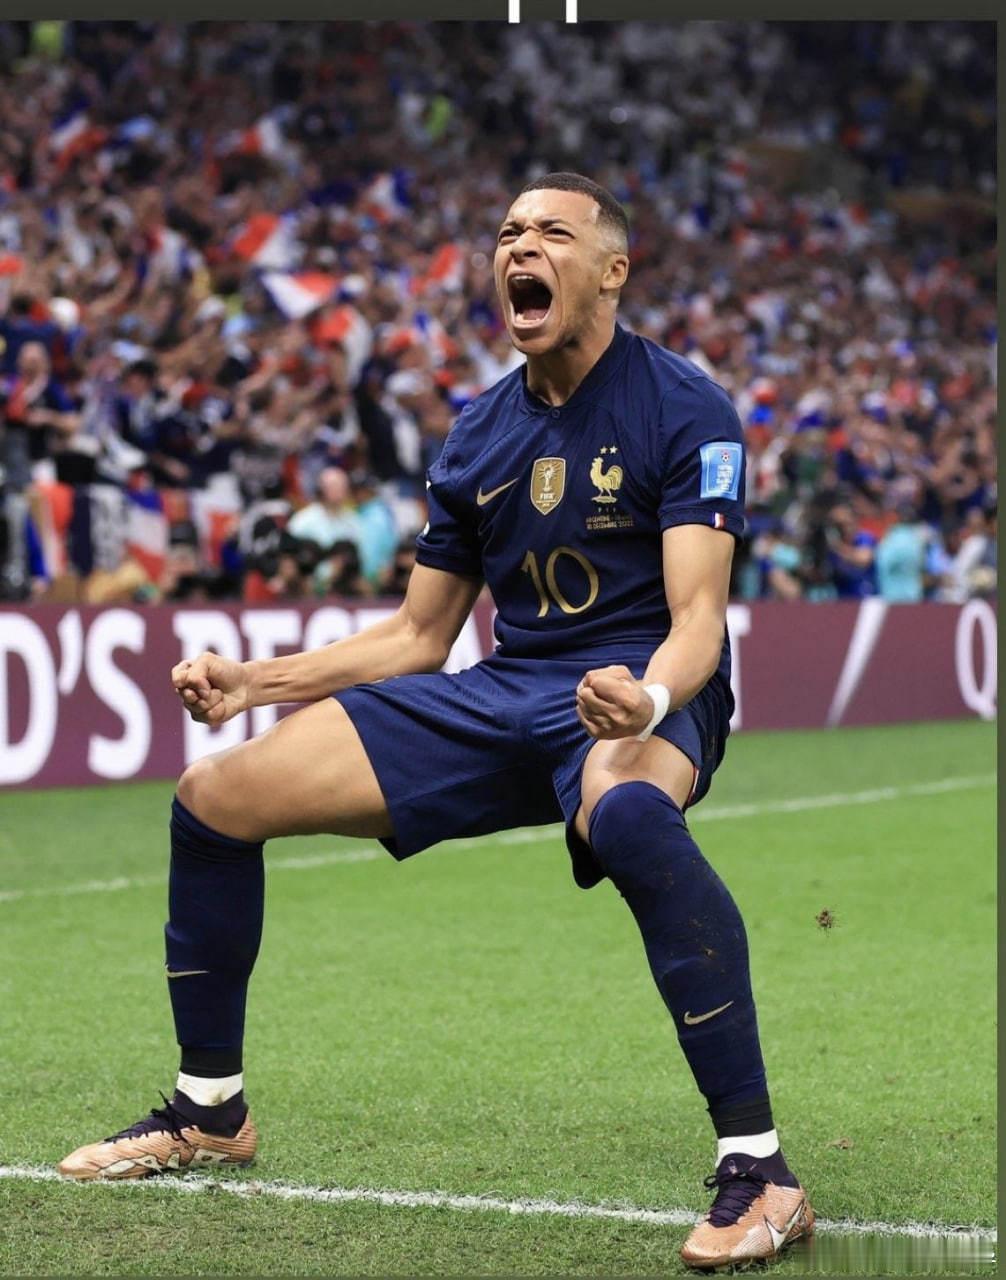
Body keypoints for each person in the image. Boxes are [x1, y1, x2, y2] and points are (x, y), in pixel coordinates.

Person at [57, 173, 813, 1268]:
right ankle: (208, 1109)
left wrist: (648, 698)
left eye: (551, 232)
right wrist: (255, 682)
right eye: (508, 232)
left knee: (631, 817)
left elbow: (699, 619)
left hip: (636, 688)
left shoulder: (685, 406)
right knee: (215, 798)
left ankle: (760, 1169)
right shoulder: (477, 433)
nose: (521, 246)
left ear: (612, 270)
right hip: (507, 691)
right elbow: (419, 636)